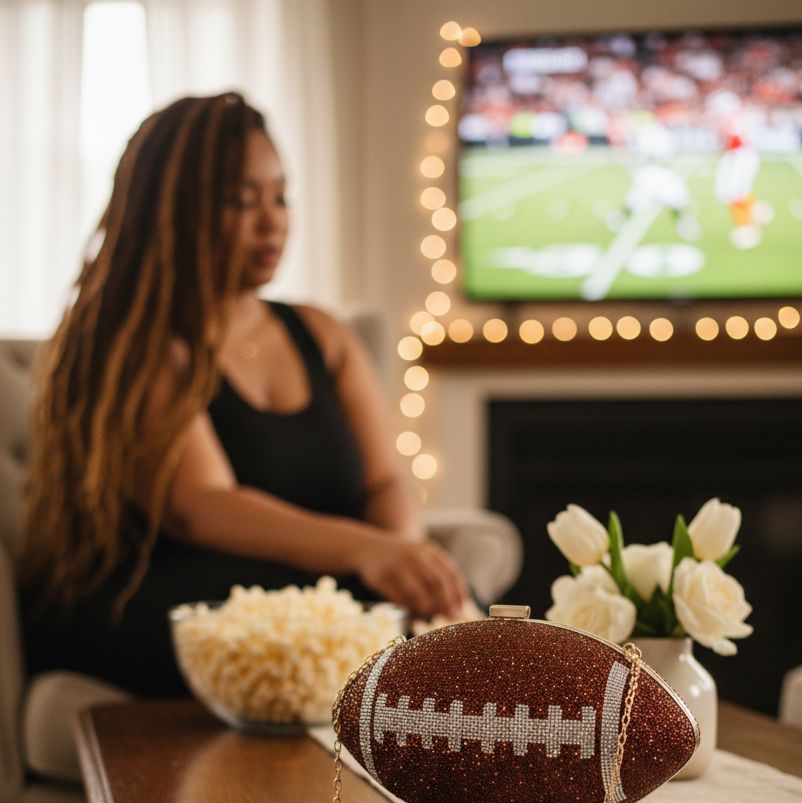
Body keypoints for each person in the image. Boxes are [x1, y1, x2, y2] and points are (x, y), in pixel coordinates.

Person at [18, 92, 469, 696]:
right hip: (154, 599)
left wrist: (403, 559)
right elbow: (199, 504)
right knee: (333, 628)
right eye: (240, 200)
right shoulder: (131, 341)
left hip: (304, 587)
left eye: (280, 196)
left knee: (452, 616)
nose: (272, 220)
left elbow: (384, 481)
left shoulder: (322, 334)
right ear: (171, 211)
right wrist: (367, 554)